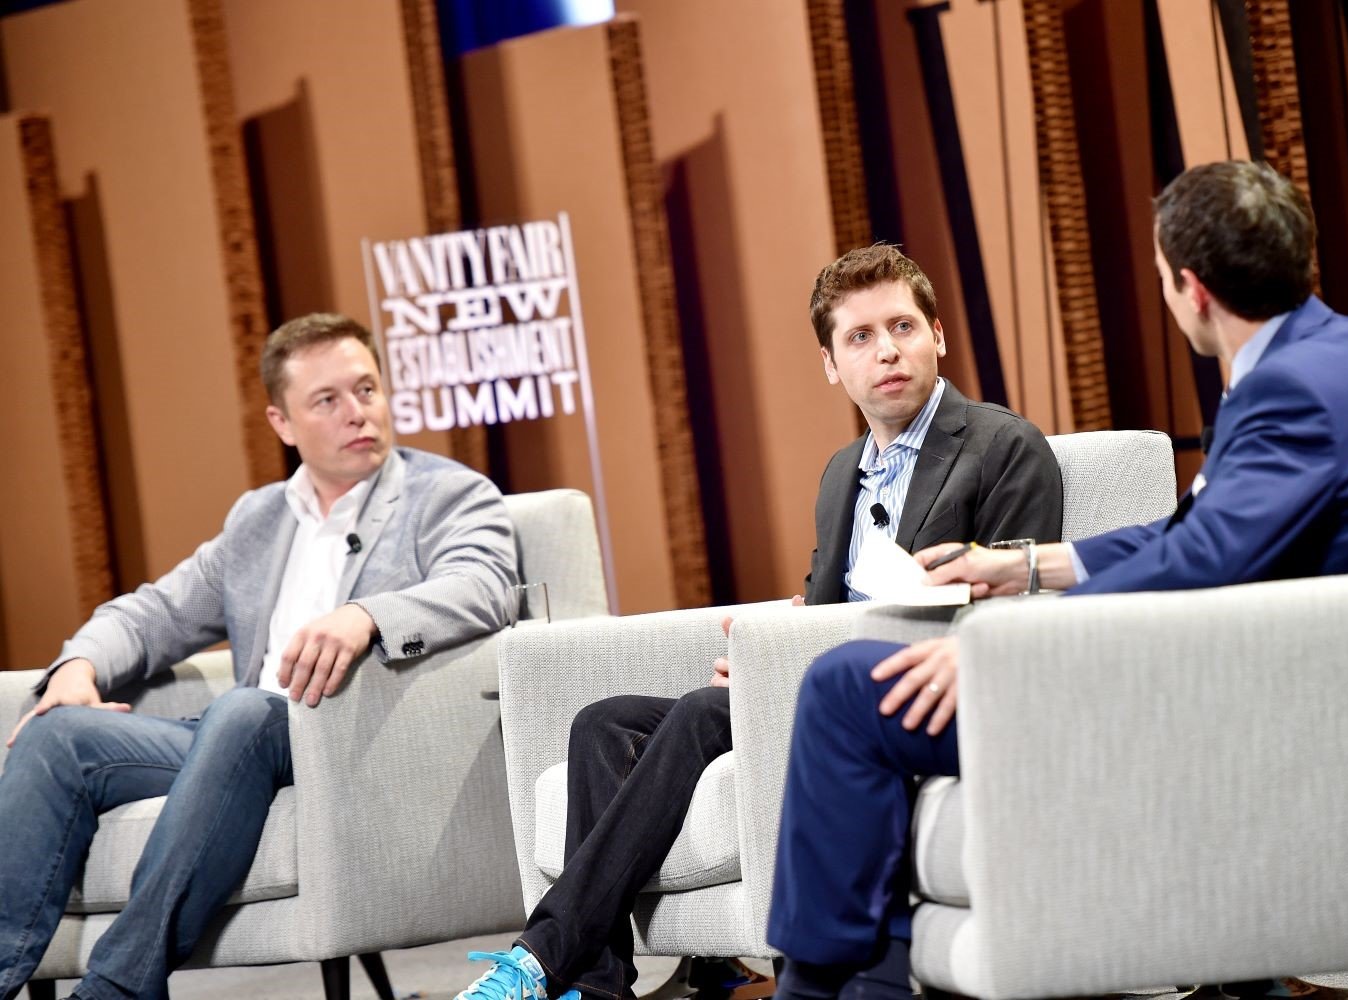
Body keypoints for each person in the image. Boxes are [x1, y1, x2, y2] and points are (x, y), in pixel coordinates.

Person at [767, 161, 1348, 1000]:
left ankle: (825, 990)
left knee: (841, 691)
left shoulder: (1292, 389)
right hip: (1246, 662)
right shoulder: (1335, 353)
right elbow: (1198, 531)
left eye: (1157, 277)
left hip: (1239, 700)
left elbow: (1202, 560)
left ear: (1190, 289)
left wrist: (1017, 644)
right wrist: (1030, 565)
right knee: (850, 684)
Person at [453, 244, 1063, 1000]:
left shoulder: (1005, 448)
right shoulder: (844, 471)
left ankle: (540, 958)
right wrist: (765, 658)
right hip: (814, 684)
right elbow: (821, 599)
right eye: (860, 337)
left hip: (909, 692)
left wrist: (781, 666)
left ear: (938, 335)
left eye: (902, 327)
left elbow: (1016, 614)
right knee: (602, 724)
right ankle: (599, 985)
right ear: (832, 366)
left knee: (708, 711)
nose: (887, 351)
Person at [0, 314, 519, 1000]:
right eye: (327, 401)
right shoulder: (260, 519)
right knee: (59, 732)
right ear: (282, 423)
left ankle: (119, 987)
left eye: (366, 389)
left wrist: (366, 616)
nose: (357, 412)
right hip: (234, 743)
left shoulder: (446, 494)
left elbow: (483, 587)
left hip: (342, 736)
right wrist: (77, 667)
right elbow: (154, 612)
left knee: (245, 710)